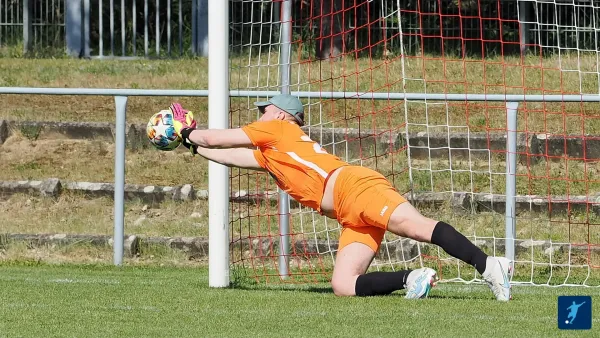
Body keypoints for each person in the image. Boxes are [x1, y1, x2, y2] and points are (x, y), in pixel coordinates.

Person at [169, 94, 512, 300]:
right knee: (343, 285)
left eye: (265, 109)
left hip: (355, 188)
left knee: (415, 226)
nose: (260, 114)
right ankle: (412, 278)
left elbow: (219, 139)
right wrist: (190, 144)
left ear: (281, 115)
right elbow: (226, 154)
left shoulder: (275, 128)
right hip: (348, 212)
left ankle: (488, 265)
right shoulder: (270, 151)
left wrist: (187, 131)